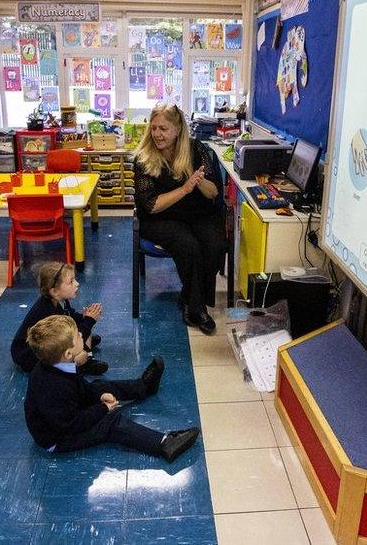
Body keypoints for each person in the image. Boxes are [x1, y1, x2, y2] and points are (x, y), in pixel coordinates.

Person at [24, 315, 199, 461]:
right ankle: (164, 444)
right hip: (59, 439)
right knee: (110, 424)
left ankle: (143, 387)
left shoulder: (58, 364)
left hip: (67, 416)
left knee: (99, 387)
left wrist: (98, 397)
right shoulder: (53, 387)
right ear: (68, 353)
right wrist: (102, 409)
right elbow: (72, 425)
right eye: (77, 336)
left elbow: (80, 387)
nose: (80, 333)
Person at [133, 103, 227, 335]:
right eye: (153, 128)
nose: (157, 134)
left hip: (197, 213)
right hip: (160, 219)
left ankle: (186, 296)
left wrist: (198, 181)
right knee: (189, 246)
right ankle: (196, 309)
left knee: (215, 245)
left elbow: (213, 193)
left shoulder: (197, 150)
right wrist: (185, 188)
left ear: (177, 129)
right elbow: (151, 205)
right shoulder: (144, 158)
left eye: (163, 129)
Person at [10, 261, 107, 374]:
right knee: (81, 341)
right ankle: (83, 364)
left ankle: (84, 348)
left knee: (84, 327)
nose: (77, 284)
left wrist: (83, 316)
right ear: (55, 291)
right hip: (30, 357)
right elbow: (65, 340)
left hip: (44, 345)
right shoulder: (47, 311)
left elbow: (69, 315)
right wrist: (89, 321)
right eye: (71, 282)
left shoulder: (58, 299)